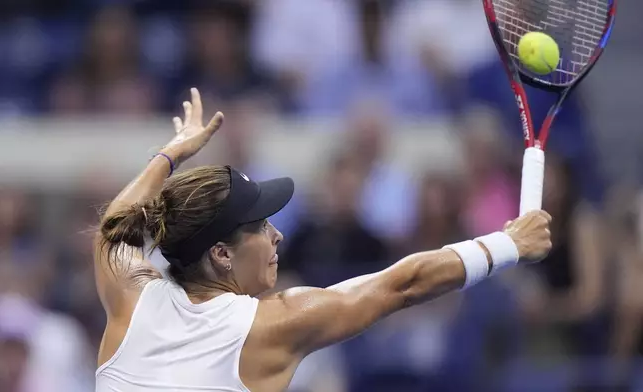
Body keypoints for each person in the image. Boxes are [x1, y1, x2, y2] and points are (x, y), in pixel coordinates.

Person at [94, 88, 552, 392]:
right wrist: (508, 244)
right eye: (259, 227)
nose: (277, 235)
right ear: (221, 254)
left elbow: (115, 224)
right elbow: (404, 284)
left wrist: (170, 155)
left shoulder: (129, 297)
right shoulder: (272, 325)